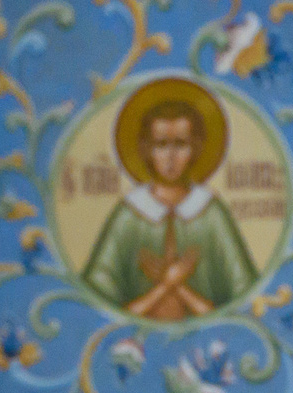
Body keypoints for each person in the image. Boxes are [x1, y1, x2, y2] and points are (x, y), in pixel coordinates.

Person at [79, 79, 261, 320]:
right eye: (161, 144)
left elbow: (245, 300)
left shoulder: (212, 214)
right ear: (146, 149)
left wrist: (175, 285)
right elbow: (97, 304)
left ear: (196, 149)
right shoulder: (127, 216)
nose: (171, 157)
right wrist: (168, 285)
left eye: (181, 144)